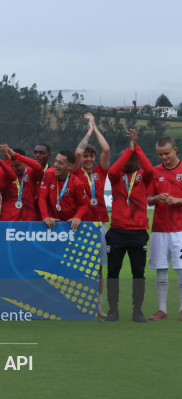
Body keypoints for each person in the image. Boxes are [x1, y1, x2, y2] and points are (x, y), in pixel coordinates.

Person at [105, 129, 153, 322]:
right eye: (125, 159)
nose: (127, 162)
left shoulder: (143, 176)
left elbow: (150, 169)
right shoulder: (116, 178)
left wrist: (137, 148)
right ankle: (113, 310)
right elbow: (111, 170)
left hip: (138, 233)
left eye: (131, 159)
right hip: (116, 232)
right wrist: (128, 149)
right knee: (113, 272)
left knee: (138, 273)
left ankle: (137, 311)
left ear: (137, 161)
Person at [73, 113, 111, 319]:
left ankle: (97, 307)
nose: (88, 159)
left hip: (98, 225)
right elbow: (77, 153)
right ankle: (79, 305)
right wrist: (88, 131)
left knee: (97, 269)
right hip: (79, 225)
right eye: (86, 156)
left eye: (91, 156)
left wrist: (95, 127)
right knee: (78, 266)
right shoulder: (75, 172)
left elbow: (106, 149)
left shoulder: (100, 172)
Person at [146, 136, 182, 321]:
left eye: (166, 153)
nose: (163, 157)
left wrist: (177, 200)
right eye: (160, 154)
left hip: (180, 230)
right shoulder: (154, 171)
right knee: (160, 268)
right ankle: (162, 310)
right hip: (160, 229)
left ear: (175, 150)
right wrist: (157, 198)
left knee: (181, 268)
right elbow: (148, 198)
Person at [38, 151, 88, 230]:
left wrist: (77, 217)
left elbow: (84, 204)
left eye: (60, 163)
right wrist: (45, 216)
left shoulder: (77, 183)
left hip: (70, 224)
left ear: (69, 166)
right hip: (52, 223)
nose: (55, 165)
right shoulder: (49, 174)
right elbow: (42, 197)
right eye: (55, 161)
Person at [0, 145, 44, 221]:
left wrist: (15, 155)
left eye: (17, 166)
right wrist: (7, 158)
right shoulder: (6, 174)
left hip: (28, 220)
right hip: (7, 220)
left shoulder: (31, 173)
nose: (14, 169)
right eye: (11, 166)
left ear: (24, 162)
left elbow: (39, 167)